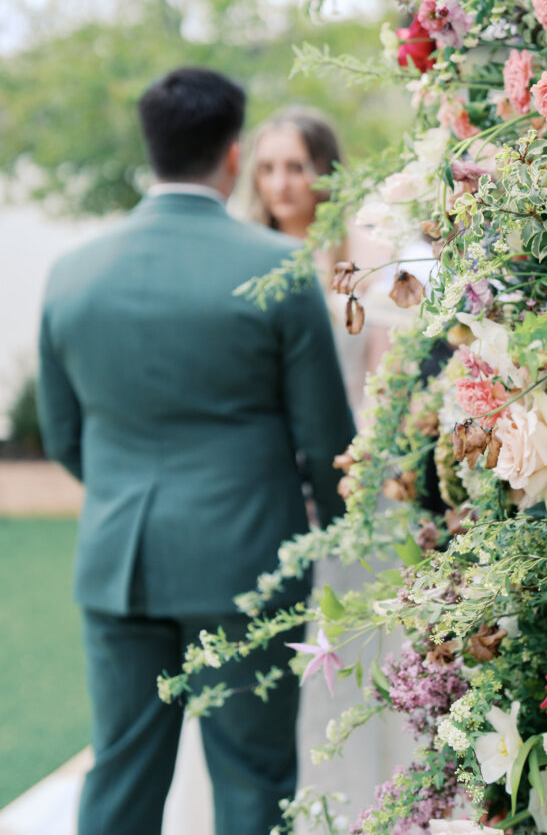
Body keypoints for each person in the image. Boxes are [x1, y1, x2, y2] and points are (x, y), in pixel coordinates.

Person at [36, 66, 355, 835]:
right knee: (251, 778)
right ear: (234, 155)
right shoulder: (276, 269)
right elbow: (325, 442)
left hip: (120, 565)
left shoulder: (71, 273)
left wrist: (119, 489)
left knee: (120, 773)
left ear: (152, 148)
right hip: (248, 564)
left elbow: (65, 437)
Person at [240, 106, 387, 415]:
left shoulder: (370, 253)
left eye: (296, 168)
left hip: (352, 428)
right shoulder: (243, 254)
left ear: (325, 169)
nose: (280, 184)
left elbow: (385, 377)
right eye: (267, 169)